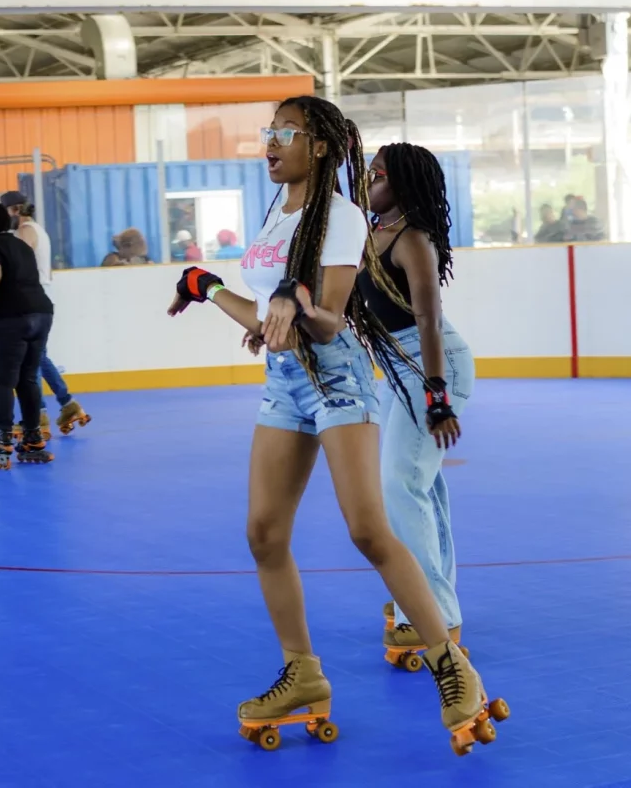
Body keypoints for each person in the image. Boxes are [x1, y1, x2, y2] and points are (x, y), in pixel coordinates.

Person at [168, 96, 505, 753]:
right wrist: (207, 286)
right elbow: (273, 312)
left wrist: (294, 306)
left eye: (283, 133)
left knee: (368, 528)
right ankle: (303, 675)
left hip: (336, 377)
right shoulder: (275, 213)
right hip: (284, 383)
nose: (269, 143)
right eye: (267, 132)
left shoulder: (345, 218)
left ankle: (451, 667)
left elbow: (328, 315)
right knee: (263, 534)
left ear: (319, 145)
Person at [356, 142, 474, 656]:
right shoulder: (370, 233)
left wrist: (437, 395)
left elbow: (427, 318)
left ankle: (433, 616)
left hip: (432, 364)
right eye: (368, 170)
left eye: (377, 173)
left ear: (401, 185)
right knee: (421, 486)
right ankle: (431, 599)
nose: (368, 179)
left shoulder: (412, 239)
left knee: (399, 484)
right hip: (398, 371)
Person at [0, 200, 55, 469]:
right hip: (41, 315)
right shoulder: (21, 245)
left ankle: (3, 441)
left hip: (8, 320)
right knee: (28, 378)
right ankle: (33, 438)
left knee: (3, 381)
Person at [1, 191, 91, 438]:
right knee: (39, 356)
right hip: (40, 298)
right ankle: (67, 404)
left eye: (5, 211)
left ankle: (38, 414)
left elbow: (16, 263)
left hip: (30, 300)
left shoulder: (26, 231)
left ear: (15, 210)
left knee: (30, 358)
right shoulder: (38, 229)